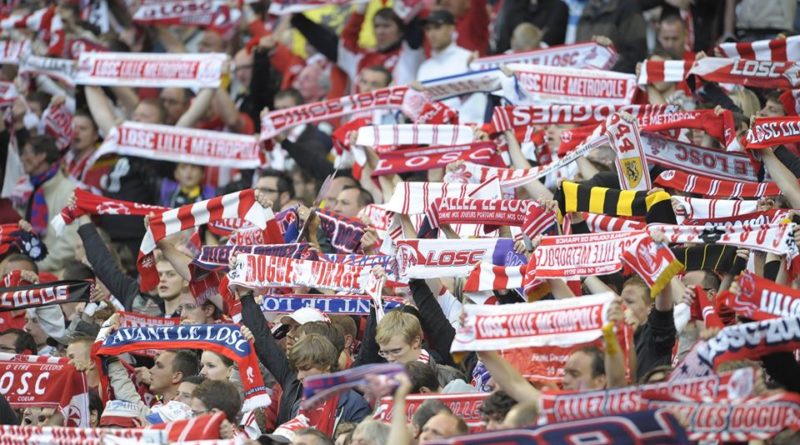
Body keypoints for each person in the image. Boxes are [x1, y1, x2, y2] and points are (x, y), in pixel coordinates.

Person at [19, 135, 78, 273]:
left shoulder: (69, 192)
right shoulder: (25, 191)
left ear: (41, 156)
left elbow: (70, 244)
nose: (22, 158)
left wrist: (36, 266)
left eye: (27, 153)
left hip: (53, 276)